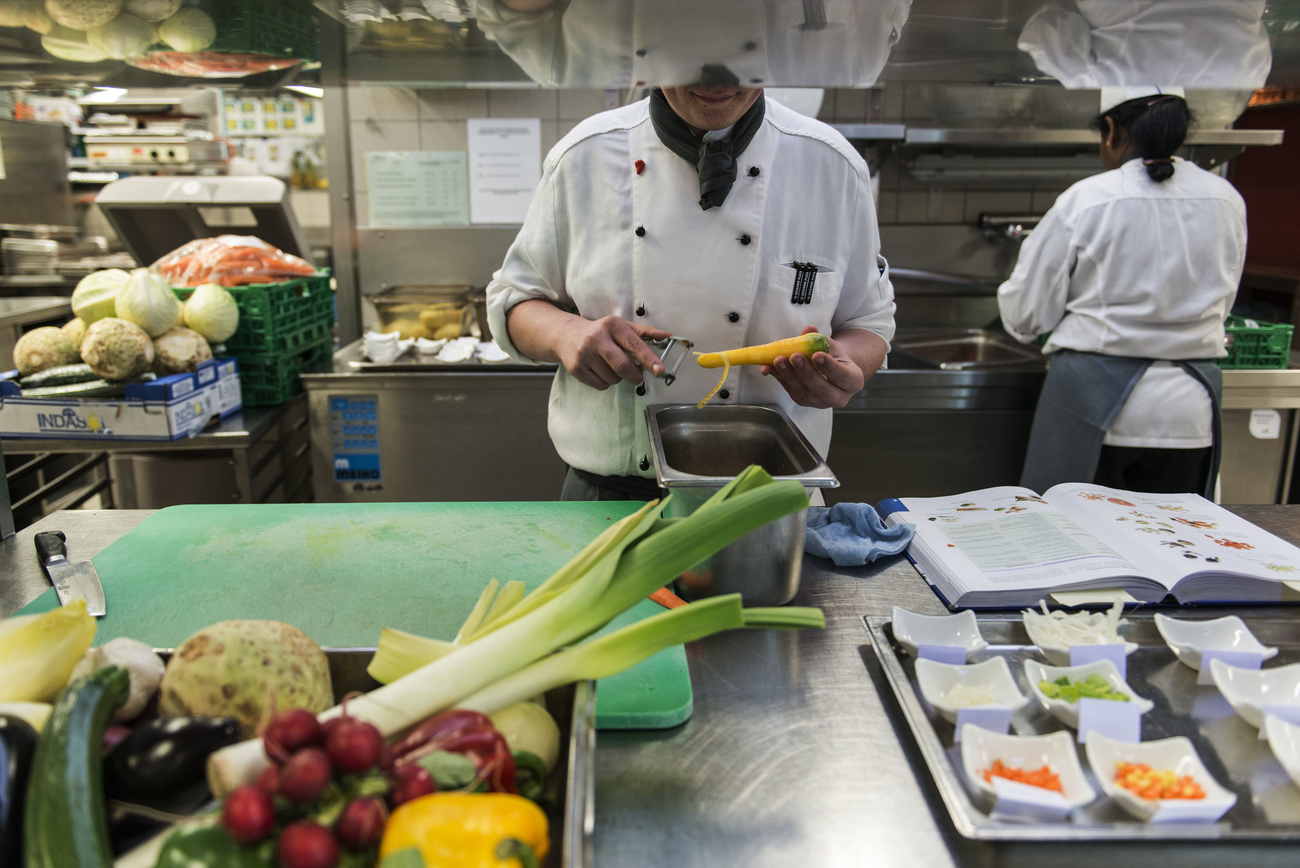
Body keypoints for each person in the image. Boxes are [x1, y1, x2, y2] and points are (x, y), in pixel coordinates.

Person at [486, 82, 896, 500]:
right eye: (692, 59)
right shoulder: (583, 156)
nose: (717, 80)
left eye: (740, 58)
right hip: (610, 498)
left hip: (772, 501)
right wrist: (563, 334)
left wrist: (849, 369)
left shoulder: (832, 164)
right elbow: (514, 301)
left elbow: (868, 322)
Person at [997, 86, 1247, 498]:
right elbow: (1226, 296)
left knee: (1080, 543)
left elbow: (1026, 315)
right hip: (1190, 412)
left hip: (1093, 407)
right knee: (1175, 543)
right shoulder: (1226, 200)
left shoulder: (1089, 199)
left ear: (1111, 130)